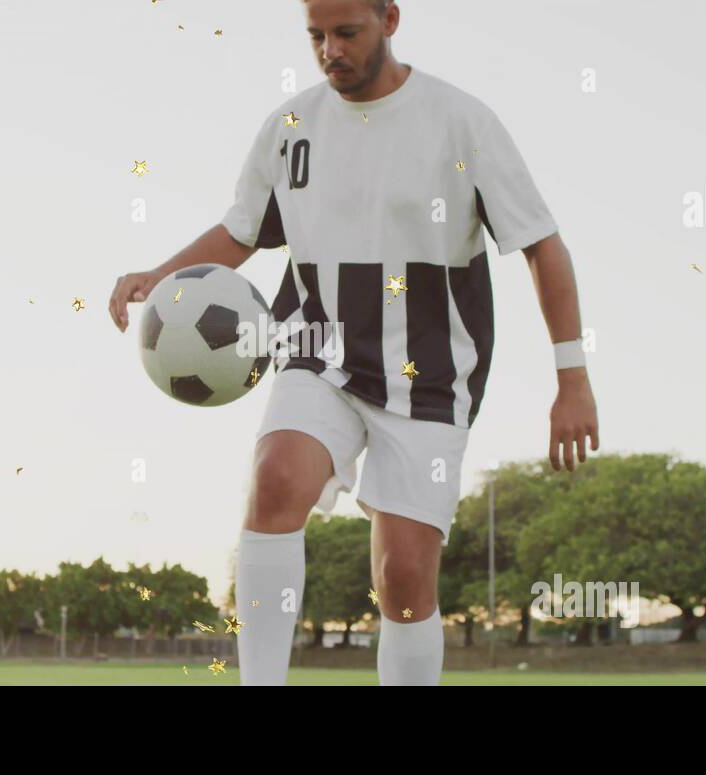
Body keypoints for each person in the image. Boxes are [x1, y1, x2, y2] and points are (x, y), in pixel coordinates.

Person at [109, 0, 598, 686]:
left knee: (403, 577)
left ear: (390, 20)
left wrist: (571, 376)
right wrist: (160, 278)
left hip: (430, 377)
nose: (330, 50)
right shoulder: (289, 127)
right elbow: (242, 231)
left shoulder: (461, 122)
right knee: (277, 476)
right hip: (319, 346)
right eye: (316, 36)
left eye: (346, 33)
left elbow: (544, 247)